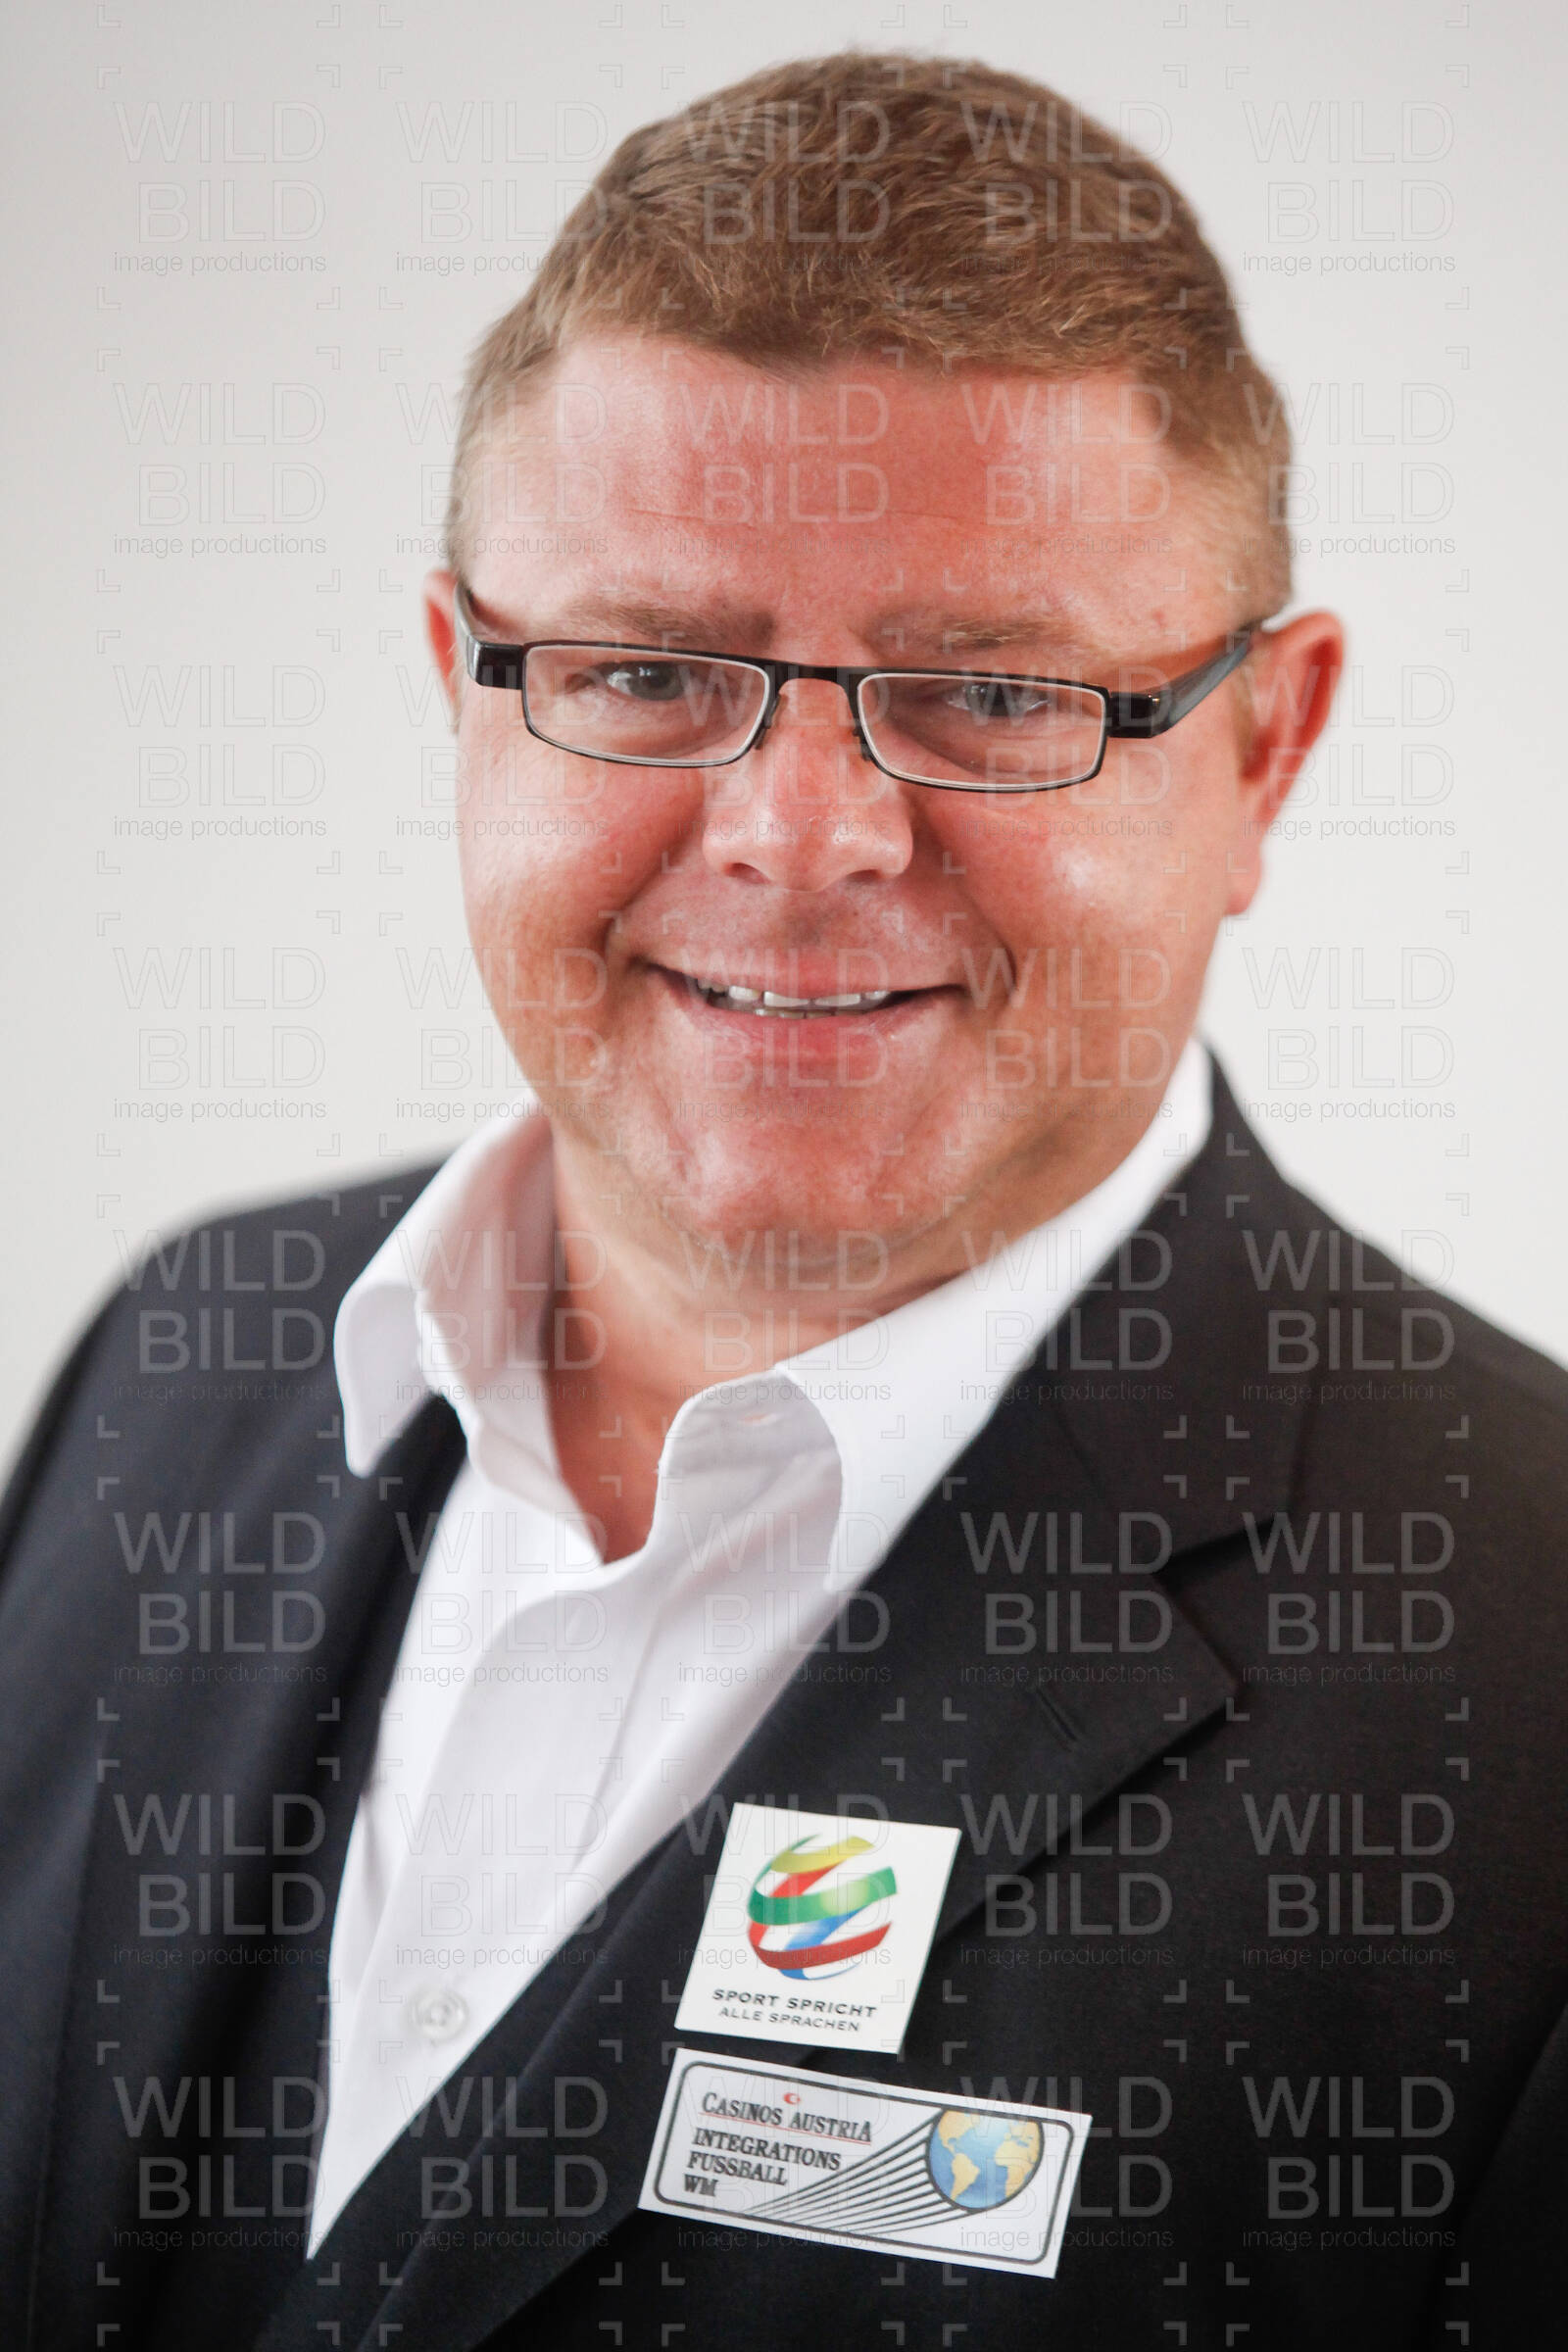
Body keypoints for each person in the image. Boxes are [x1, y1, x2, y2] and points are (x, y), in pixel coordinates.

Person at [2, 47, 1564, 2352]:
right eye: (644, 670)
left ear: (1264, 747)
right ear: (462, 688)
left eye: (985, 695)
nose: (799, 836)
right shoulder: (179, 1358)